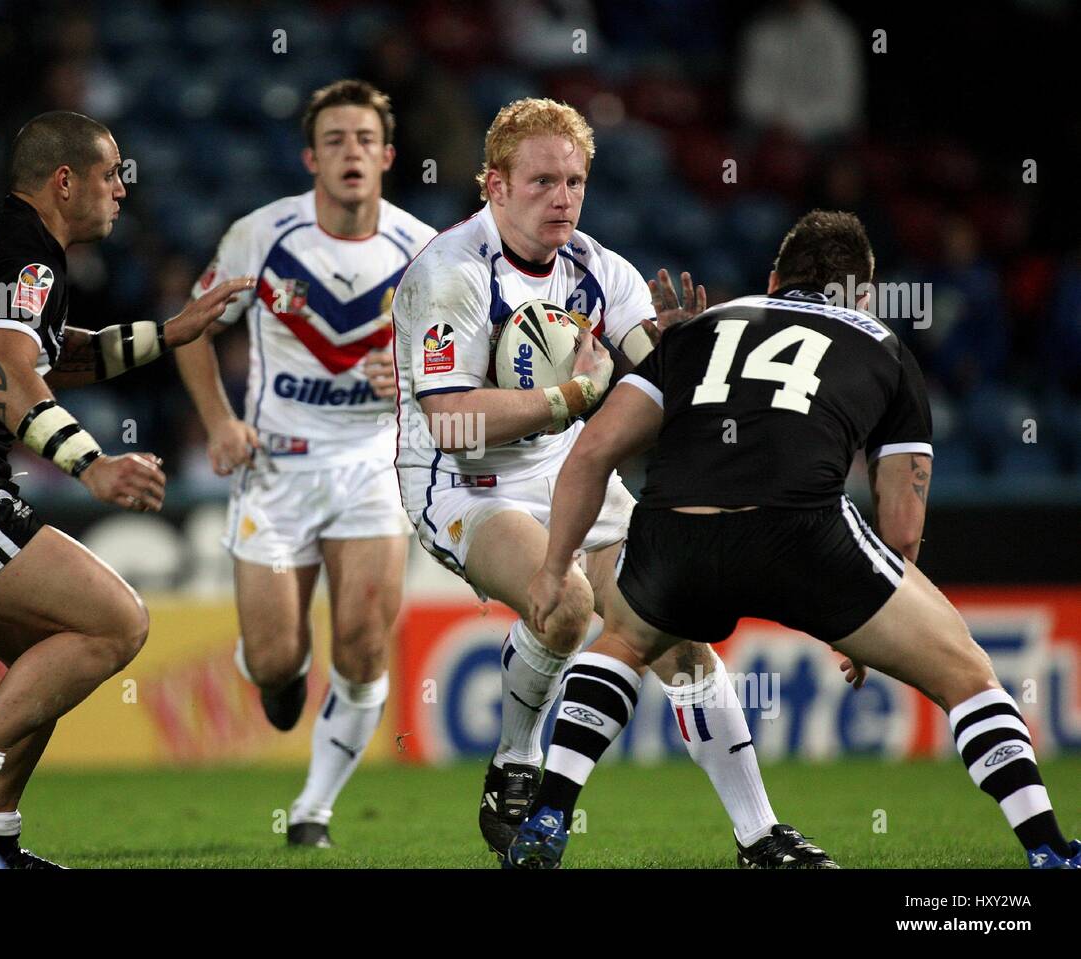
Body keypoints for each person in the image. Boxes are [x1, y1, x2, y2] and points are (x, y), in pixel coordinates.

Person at [517, 211, 1081, 870]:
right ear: (864, 295)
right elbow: (901, 516)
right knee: (969, 674)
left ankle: (551, 812)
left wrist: (557, 566)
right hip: (802, 530)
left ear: (775, 278)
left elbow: (593, 453)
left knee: (625, 640)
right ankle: (1047, 849)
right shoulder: (883, 345)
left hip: (675, 528)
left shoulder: (699, 327)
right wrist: (868, 620)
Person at [393, 98, 833, 866]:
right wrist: (571, 399)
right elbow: (450, 423)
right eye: (541, 182)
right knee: (562, 604)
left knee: (675, 626)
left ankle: (760, 835)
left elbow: (651, 368)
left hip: (567, 471)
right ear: (493, 185)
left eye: (575, 180)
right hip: (463, 482)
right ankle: (516, 760)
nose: (562, 197)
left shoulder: (600, 269)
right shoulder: (449, 273)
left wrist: (679, 353)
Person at [0, 111, 252, 869]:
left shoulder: (0, 244)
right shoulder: (24, 257)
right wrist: (91, 462)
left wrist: (168, 333)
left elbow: (58, 355)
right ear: (65, 182)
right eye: (112, 174)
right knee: (116, 622)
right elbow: (8, 376)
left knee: (51, 658)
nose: (122, 191)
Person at [174, 80, 436, 848]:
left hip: (370, 463)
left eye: (363, 140)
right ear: (310, 158)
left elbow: (459, 365)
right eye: (334, 141)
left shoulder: (422, 249)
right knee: (277, 658)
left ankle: (313, 810)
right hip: (278, 466)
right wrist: (219, 422)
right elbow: (189, 327)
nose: (350, 152)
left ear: (387, 157)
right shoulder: (261, 235)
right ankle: (268, 665)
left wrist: (412, 379)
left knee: (360, 640)